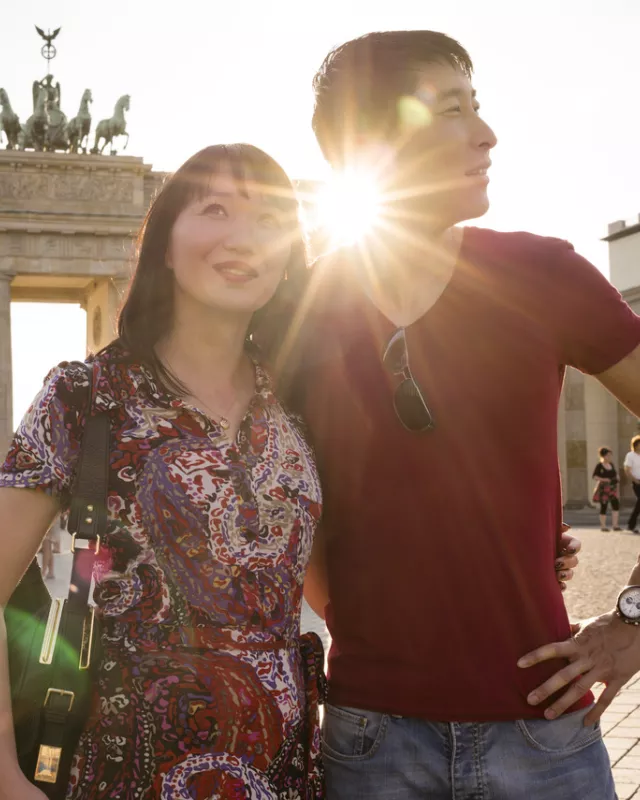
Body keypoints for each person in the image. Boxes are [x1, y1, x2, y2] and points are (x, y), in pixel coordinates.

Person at [259, 30, 640, 799]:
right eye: (453, 110)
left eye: (480, 107)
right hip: (371, 743)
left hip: (544, 737)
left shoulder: (543, 275)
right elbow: (289, 503)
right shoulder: (299, 311)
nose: (487, 133)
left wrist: (633, 619)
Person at [0, 144, 325, 799]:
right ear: (164, 246)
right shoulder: (82, 397)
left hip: (286, 779)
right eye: (216, 209)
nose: (244, 238)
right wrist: (6, 776)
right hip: (114, 776)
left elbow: (335, 589)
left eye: (269, 221)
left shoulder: (300, 410)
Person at [592, 447, 621, 531]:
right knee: (604, 506)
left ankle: (615, 525)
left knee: (615, 505)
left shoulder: (611, 464)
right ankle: (603, 526)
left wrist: (617, 477)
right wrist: (604, 479)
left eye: (610, 455)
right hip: (603, 488)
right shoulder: (599, 466)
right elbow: (594, 476)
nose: (609, 457)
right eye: (608, 455)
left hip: (612, 488)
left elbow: (615, 474)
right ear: (603, 456)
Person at [625, 435, 640, 533]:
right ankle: (631, 523)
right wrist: (635, 480)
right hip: (637, 482)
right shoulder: (630, 455)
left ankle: (631, 524)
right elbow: (627, 469)